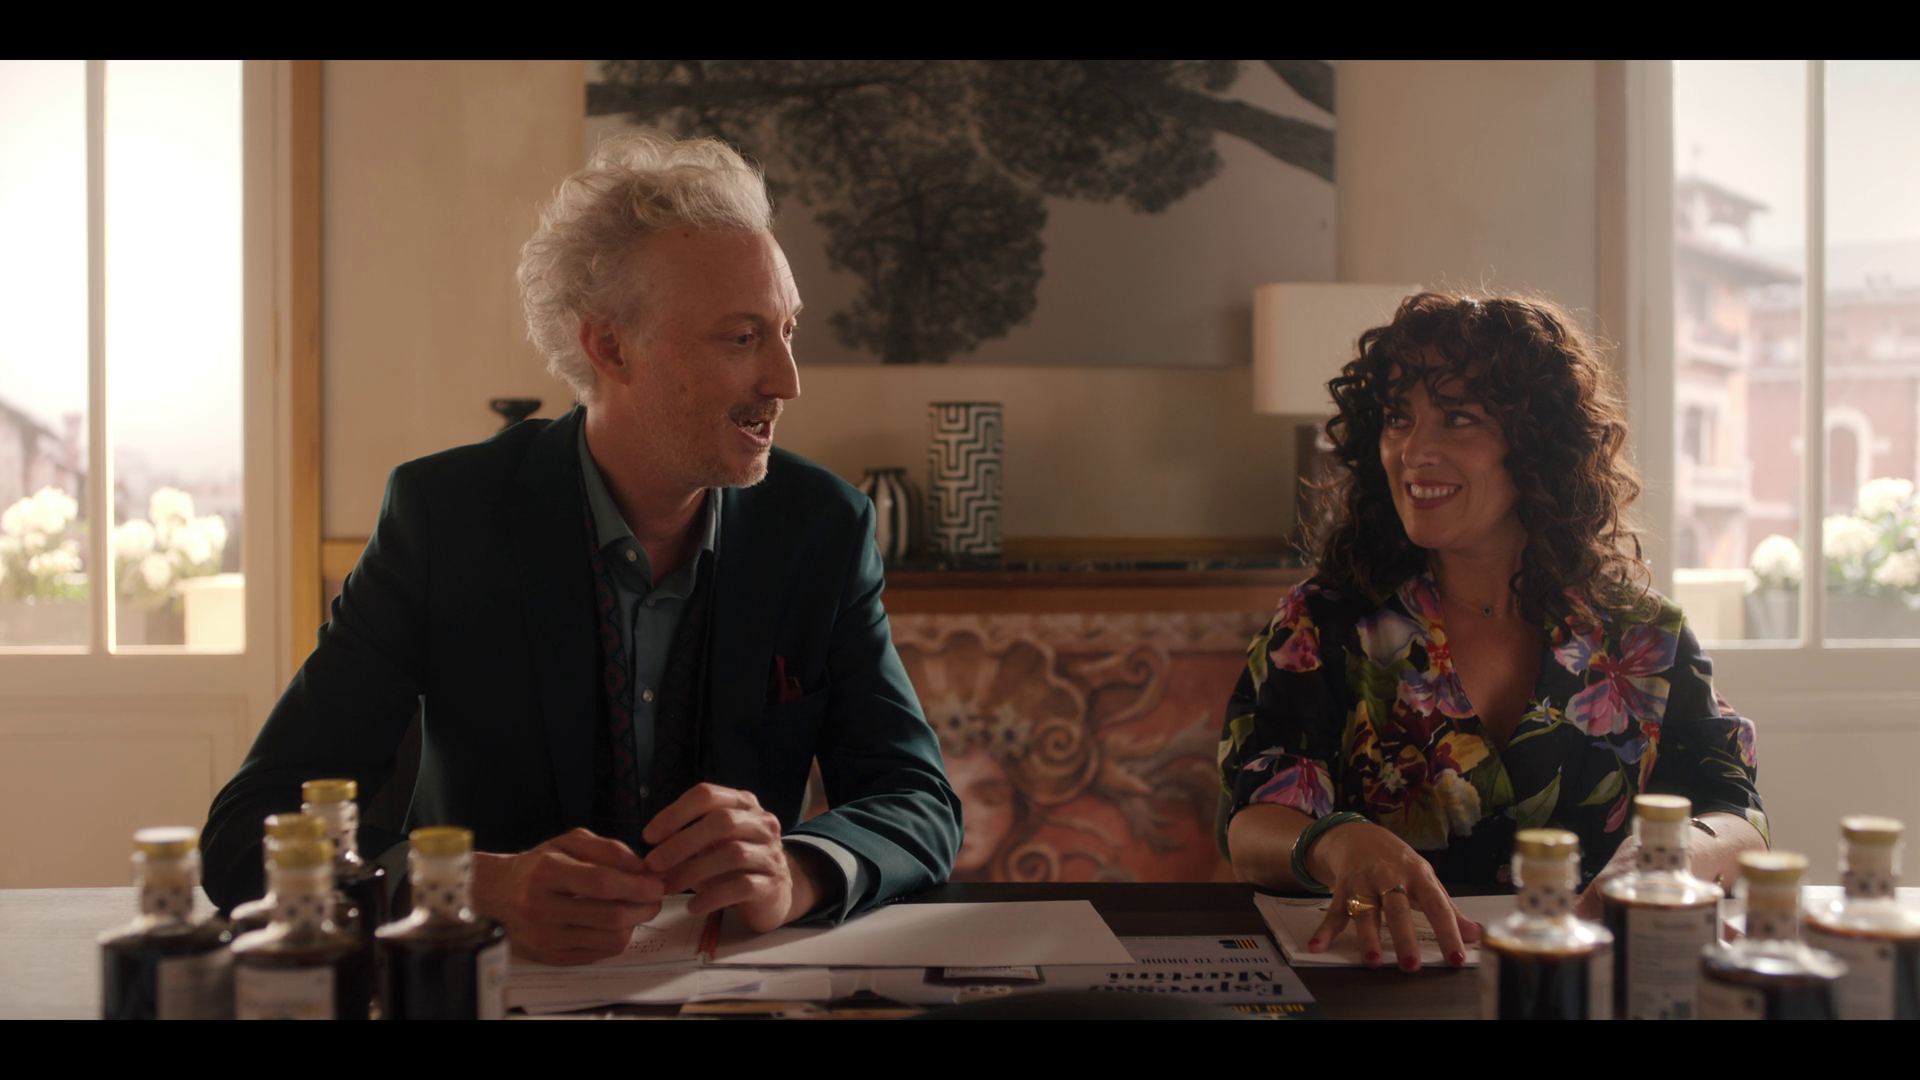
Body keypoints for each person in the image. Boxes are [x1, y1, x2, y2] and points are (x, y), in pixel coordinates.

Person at [201, 132, 961, 964]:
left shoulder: (821, 528)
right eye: (742, 339)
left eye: (786, 330)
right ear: (610, 346)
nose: (787, 380)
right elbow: (249, 829)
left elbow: (917, 800)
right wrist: (470, 887)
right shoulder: (444, 519)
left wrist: (797, 872)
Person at [1217, 291, 1767, 973]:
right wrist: (1335, 843)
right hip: (1386, 987)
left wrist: (1677, 853)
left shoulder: (1643, 637)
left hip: (1592, 987)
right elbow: (1252, 825)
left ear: (1537, 444)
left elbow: (1736, 813)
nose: (1413, 450)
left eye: (1458, 418)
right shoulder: (1323, 624)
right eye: (1398, 418)